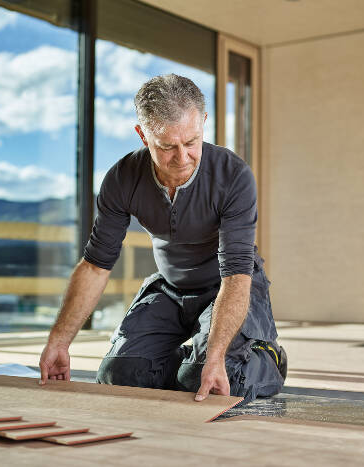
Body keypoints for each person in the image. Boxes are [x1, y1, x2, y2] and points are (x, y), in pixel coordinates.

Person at [39, 74, 286, 403]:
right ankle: (190, 363)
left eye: (192, 142)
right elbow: (96, 266)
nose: (182, 158)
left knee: (222, 382)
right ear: (143, 135)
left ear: (204, 123)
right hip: (170, 288)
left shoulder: (233, 176)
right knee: (118, 376)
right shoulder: (122, 179)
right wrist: (59, 341)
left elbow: (236, 275)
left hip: (228, 285)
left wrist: (214, 359)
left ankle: (266, 360)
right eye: (167, 146)